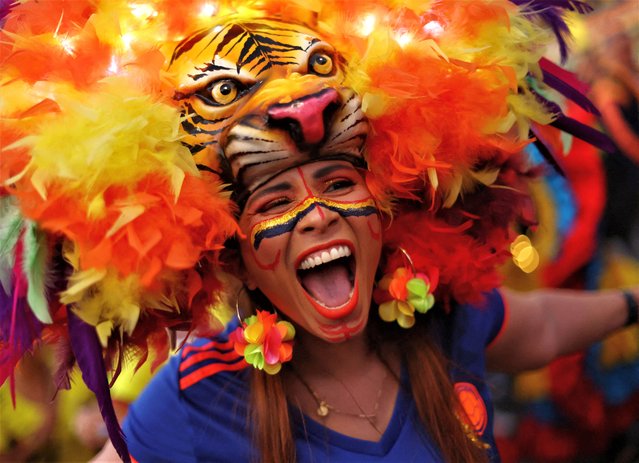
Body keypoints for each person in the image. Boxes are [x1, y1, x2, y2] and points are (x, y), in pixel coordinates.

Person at [0, 1, 637, 463]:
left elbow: (542, 327)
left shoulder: (439, 320)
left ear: (382, 213)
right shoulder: (199, 394)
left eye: (337, 186)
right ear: (241, 256)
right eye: (276, 198)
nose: (318, 215)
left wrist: (633, 305)